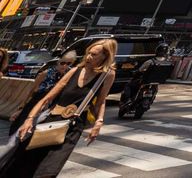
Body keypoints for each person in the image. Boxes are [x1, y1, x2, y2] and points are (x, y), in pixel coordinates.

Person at [13, 39, 116, 178]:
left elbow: (101, 101)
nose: (88, 57)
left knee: (49, 170)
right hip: (51, 121)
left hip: (73, 126)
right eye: (88, 53)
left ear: (105, 57)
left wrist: (99, 122)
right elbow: (46, 99)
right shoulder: (74, 71)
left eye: (94, 55)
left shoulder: (107, 75)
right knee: (26, 162)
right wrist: (29, 119)